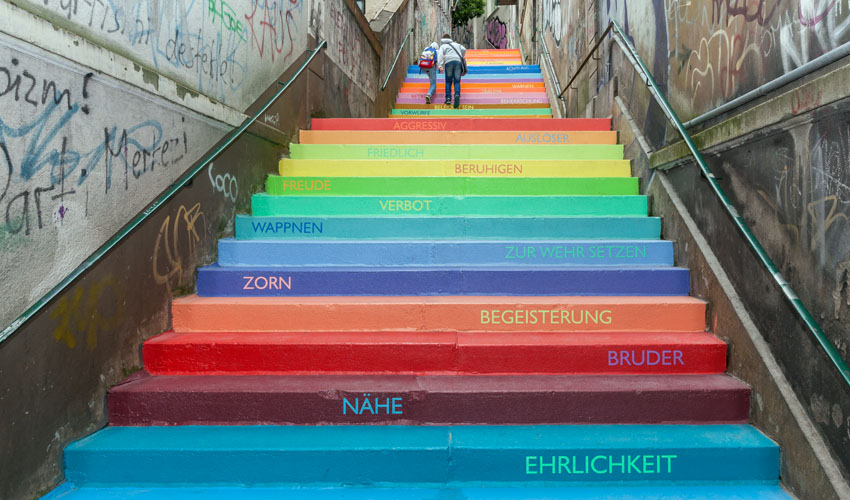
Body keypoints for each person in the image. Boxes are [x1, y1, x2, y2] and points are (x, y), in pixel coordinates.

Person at [437, 34, 466, 108]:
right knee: (457, 81)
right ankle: (457, 95)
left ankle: (448, 99)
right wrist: (460, 55)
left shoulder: (443, 46)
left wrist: (440, 65)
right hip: (458, 62)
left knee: (448, 81)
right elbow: (464, 49)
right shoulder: (457, 44)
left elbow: (440, 55)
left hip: (448, 62)